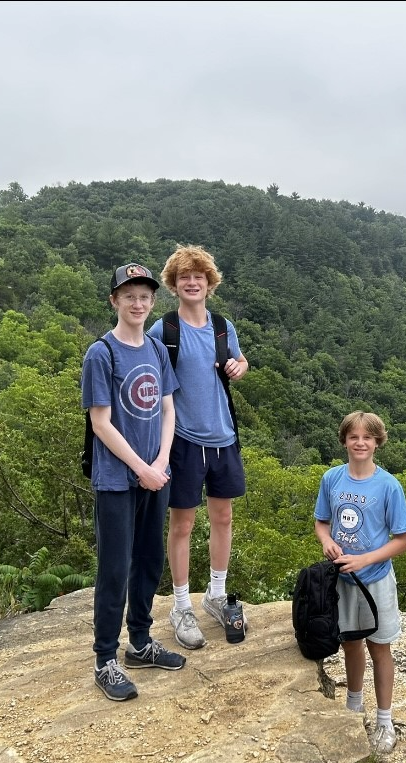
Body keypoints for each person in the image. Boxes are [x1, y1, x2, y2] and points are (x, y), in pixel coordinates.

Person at [82, 262, 186, 701]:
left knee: (147, 562)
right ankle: (105, 657)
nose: (138, 303)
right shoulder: (100, 354)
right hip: (116, 480)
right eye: (129, 296)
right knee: (115, 568)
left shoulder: (157, 350)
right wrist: (140, 469)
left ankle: (140, 643)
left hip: (154, 474)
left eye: (144, 296)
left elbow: (167, 410)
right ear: (114, 301)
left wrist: (160, 461)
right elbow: (101, 423)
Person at [148, 244, 249, 650]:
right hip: (184, 441)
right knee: (183, 524)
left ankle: (216, 595)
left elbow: (238, 363)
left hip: (224, 437)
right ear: (174, 285)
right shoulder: (165, 330)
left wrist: (240, 366)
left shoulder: (223, 327)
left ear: (209, 284)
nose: (192, 283)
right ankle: (179, 605)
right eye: (184, 277)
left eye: (199, 277)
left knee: (223, 518)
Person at [314, 411, 406, 754]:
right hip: (341, 580)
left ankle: (385, 720)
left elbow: (403, 539)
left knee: (380, 647)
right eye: (353, 437)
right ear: (344, 441)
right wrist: (326, 541)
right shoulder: (332, 478)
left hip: (375, 579)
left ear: (377, 443)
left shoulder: (388, 485)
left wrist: (365, 559)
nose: (360, 443)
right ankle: (354, 705)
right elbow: (322, 522)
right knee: (351, 644)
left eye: (367, 438)